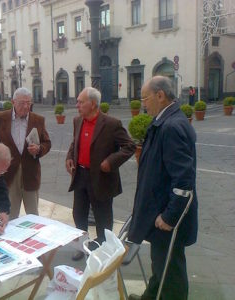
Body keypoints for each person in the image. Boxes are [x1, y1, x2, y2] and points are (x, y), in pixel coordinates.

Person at [127, 76, 198, 300]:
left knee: (171, 274)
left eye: (145, 98)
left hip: (166, 220)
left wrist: (169, 217)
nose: (142, 104)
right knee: (162, 267)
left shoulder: (171, 127)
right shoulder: (165, 121)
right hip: (158, 213)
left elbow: (184, 180)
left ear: (160, 95)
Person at [66, 87, 135, 261]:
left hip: (101, 178)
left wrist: (110, 162)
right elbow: (75, 142)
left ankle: (103, 248)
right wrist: (69, 157)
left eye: (81, 102)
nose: (77, 105)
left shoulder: (111, 124)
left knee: (102, 216)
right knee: (78, 213)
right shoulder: (77, 121)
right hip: (80, 174)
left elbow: (130, 146)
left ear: (93, 104)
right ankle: (81, 246)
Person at [0, 87, 51, 219]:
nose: (26, 106)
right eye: (22, 103)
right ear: (13, 102)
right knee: (10, 215)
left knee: (33, 215)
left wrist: (39, 149)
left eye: (29, 103)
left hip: (31, 172)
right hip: (8, 173)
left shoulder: (38, 120)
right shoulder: (1, 118)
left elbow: (47, 143)